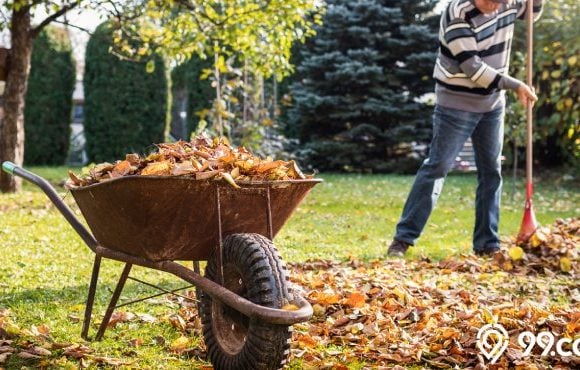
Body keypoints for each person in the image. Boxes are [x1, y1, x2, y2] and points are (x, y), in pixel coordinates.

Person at [388, 0, 543, 257]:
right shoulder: (457, 12)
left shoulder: (506, 2)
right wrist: (516, 85)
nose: (495, 7)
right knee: (437, 167)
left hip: (492, 105)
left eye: (499, 2)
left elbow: (531, 14)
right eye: (490, 1)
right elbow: (472, 68)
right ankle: (402, 241)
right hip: (456, 103)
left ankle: (487, 245)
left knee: (491, 172)